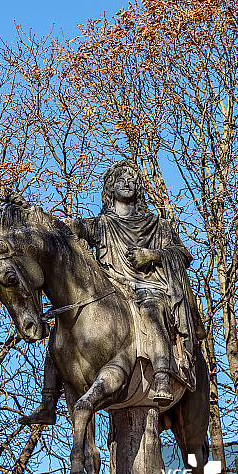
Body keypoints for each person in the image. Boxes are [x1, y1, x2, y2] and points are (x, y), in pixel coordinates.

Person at [21, 159, 205, 424]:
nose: (127, 184)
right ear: (110, 189)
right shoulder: (101, 224)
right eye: (121, 180)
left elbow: (181, 254)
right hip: (113, 290)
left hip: (150, 288)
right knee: (61, 329)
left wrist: (150, 255)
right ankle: (48, 401)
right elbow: (64, 228)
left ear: (139, 189)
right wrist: (32, 213)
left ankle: (162, 376)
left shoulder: (158, 225)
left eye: (132, 180)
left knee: (150, 309)